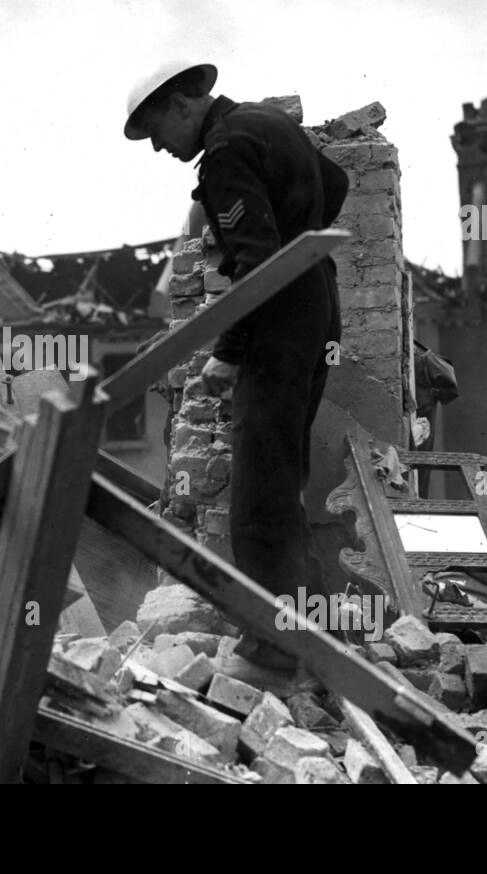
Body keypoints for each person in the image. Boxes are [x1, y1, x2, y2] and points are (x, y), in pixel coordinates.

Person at [124, 60, 349, 688]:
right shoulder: (267, 124)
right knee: (284, 475)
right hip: (316, 302)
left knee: (256, 491)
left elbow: (256, 263)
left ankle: (274, 652)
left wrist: (228, 350)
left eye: (158, 134)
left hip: (280, 319)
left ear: (181, 106)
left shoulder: (224, 151)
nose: (163, 150)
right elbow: (334, 184)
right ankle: (308, 635)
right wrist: (299, 229)